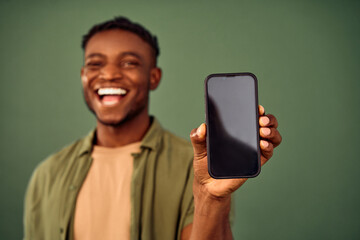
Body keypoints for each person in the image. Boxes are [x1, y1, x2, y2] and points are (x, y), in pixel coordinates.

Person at [24, 16, 282, 240]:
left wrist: (210, 198)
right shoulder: (47, 175)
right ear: (83, 75)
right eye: (95, 64)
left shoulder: (194, 166)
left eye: (129, 63)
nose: (110, 74)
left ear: (154, 77)